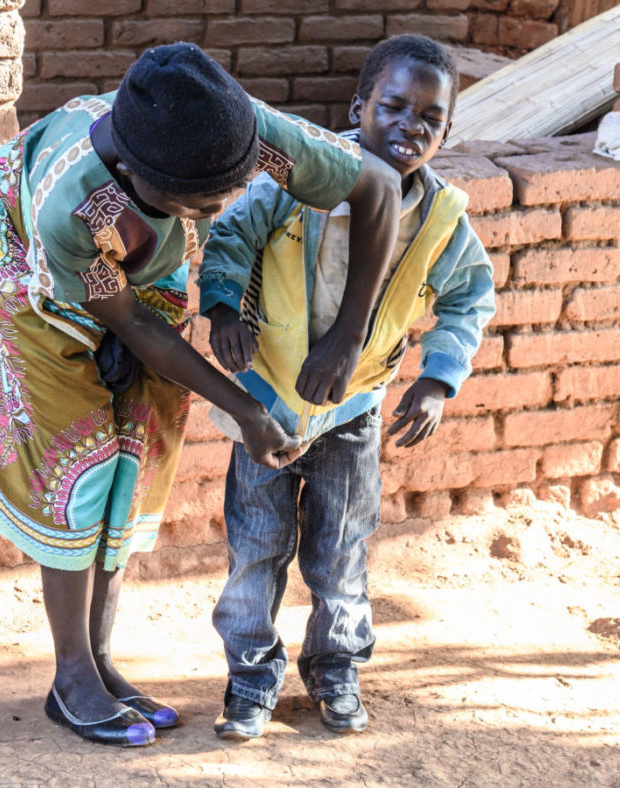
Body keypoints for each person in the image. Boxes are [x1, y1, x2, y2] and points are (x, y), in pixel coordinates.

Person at [0, 42, 403, 747]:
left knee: (141, 439)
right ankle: (71, 677)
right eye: (202, 203)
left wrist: (350, 335)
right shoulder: (72, 206)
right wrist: (245, 409)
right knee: (81, 457)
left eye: (230, 188)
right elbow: (134, 325)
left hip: (138, 249)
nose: (223, 208)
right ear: (138, 174)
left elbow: (377, 186)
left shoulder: (229, 129)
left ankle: (101, 658)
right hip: (24, 255)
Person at [197, 35, 496, 739]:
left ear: (447, 131)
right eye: (393, 106)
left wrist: (437, 380)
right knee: (256, 547)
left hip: (353, 413)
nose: (409, 126)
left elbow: (469, 298)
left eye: (430, 118)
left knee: (341, 551)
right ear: (359, 106)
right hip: (265, 403)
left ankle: (335, 667)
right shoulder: (298, 183)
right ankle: (250, 676)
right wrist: (223, 309)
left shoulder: (441, 221)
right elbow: (232, 237)